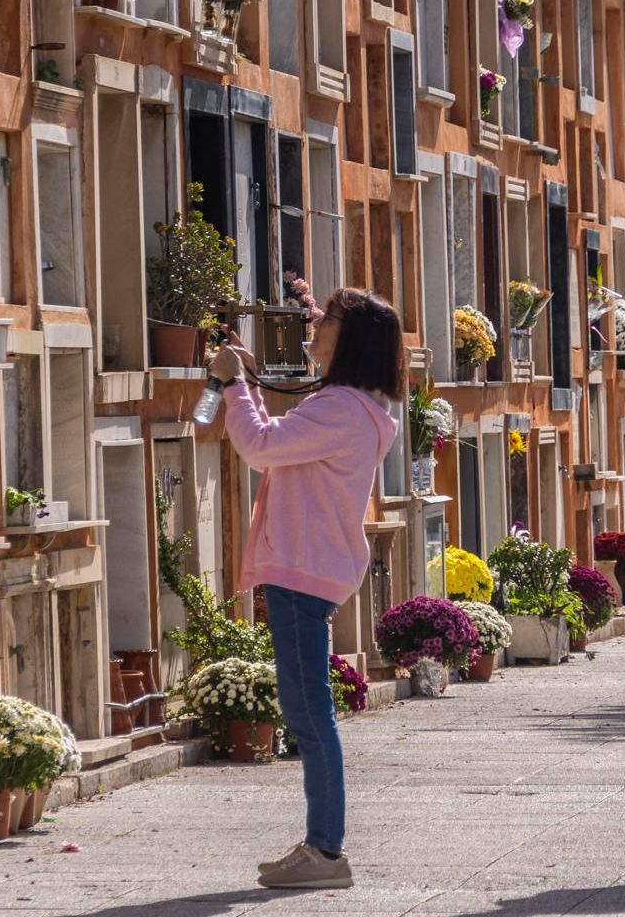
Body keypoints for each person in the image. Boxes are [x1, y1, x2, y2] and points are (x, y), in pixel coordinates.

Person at [207, 288, 402, 890]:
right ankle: (322, 844)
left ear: (353, 339)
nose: (315, 324)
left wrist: (236, 388)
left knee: (309, 715)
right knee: (309, 712)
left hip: (302, 569)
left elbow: (260, 447)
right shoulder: (351, 406)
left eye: (328, 320)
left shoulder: (340, 408)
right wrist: (249, 383)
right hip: (311, 568)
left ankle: (326, 850)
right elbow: (280, 438)